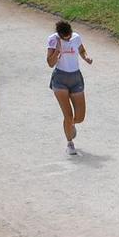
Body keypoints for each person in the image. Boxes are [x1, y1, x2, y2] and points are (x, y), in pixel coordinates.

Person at [45, 19, 91, 157]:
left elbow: (82, 49)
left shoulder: (76, 37)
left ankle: (70, 126)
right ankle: (70, 143)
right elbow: (50, 63)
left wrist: (86, 57)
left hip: (76, 78)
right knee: (68, 116)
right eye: (66, 38)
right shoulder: (53, 40)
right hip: (60, 79)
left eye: (69, 36)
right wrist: (58, 51)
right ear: (59, 35)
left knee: (80, 117)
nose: (69, 38)